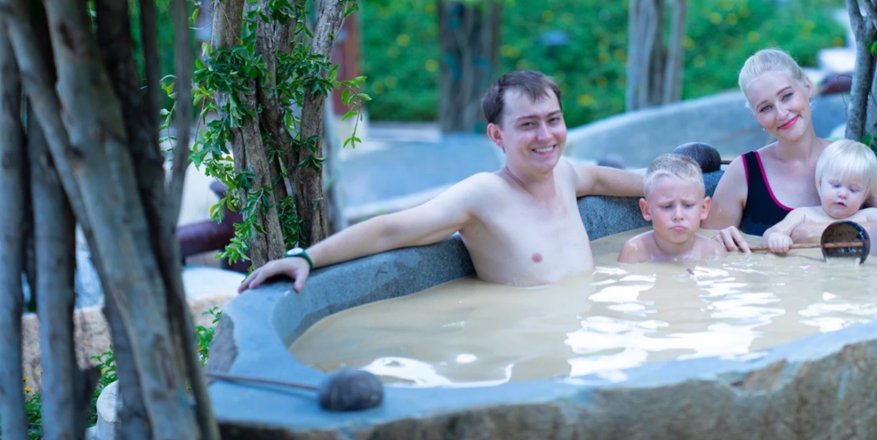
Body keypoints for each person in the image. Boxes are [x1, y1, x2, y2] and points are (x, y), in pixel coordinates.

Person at [238, 70, 644, 291]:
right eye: (528, 125)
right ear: (498, 136)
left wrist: (688, 183)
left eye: (553, 120)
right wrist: (306, 257)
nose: (546, 135)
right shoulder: (484, 195)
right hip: (526, 343)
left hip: (583, 333)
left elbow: (616, 181)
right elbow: (390, 230)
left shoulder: (566, 174)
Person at [704, 48, 877, 264]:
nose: (781, 113)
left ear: (808, 88)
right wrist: (718, 239)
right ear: (756, 117)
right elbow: (701, 251)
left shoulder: (852, 161)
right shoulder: (744, 172)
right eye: (766, 108)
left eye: (787, 96)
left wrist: (816, 233)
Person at [618, 154, 727, 264]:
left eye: (688, 205)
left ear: (703, 209)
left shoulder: (713, 253)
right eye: (667, 206)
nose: (678, 215)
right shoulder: (635, 251)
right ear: (646, 210)